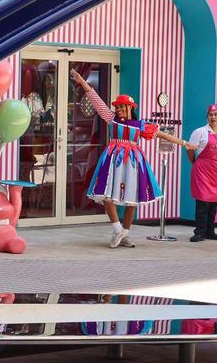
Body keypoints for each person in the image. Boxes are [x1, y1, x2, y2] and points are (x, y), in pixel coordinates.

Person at [69, 69, 192, 249]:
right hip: (113, 160)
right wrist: (81, 81)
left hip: (133, 162)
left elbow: (161, 134)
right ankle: (118, 229)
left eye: (121, 106)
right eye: (117, 107)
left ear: (129, 108)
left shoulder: (140, 125)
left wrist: (183, 143)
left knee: (131, 198)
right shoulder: (111, 119)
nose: (118, 109)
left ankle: (125, 233)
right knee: (107, 196)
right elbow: (96, 100)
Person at [185, 105, 217, 242]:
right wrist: (194, 162)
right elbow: (189, 149)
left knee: (214, 203)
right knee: (202, 203)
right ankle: (199, 232)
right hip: (202, 171)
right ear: (207, 117)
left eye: (216, 114)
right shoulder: (199, 132)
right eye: (210, 115)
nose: (213, 117)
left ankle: (210, 231)